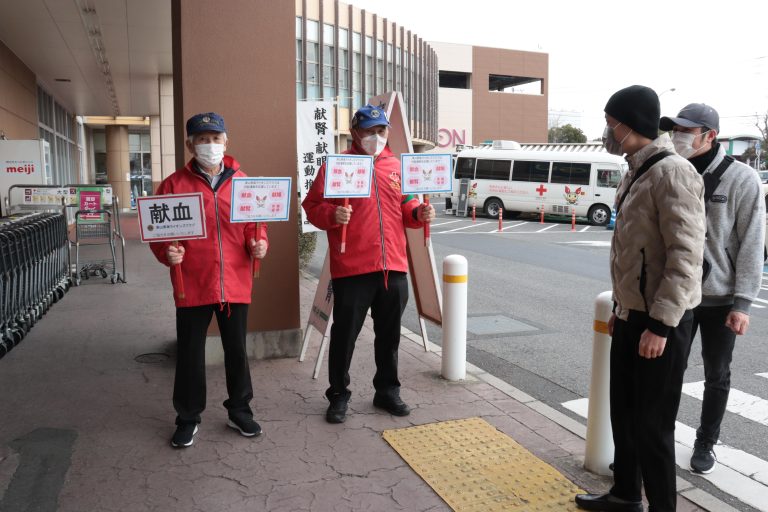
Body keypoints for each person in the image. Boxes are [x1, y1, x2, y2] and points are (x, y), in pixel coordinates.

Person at [575, 86, 706, 512]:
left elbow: (685, 257)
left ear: (630, 125)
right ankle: (626, 493)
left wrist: (660, 324)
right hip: (633, 314)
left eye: (611, 122)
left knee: (652, 427)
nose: (607, 131)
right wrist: (621, 308)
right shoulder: (638, 168)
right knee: (625, 415)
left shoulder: (674, 173)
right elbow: (634, 252)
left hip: (660, 324)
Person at [302, 104, 435, 424]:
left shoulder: (396, 167)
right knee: (345, 335)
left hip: (394, 267)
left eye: (381, 131)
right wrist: (332, 215)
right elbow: (312, 206)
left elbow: (409, 207)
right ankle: (338, 394)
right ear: (354, 133)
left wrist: (419, 215)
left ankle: (387, 391)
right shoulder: (337, 166)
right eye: (369, 131)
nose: (375, 137)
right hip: (353, 267)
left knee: (389, 336)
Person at [150, 112, 268, 448]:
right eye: (203, 139)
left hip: (234, 282)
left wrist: (258, 245)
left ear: (226, 141)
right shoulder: (173, 185)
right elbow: (161, 234)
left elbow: (255, 227)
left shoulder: (244, 182)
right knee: (190, 353)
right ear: (190, 144)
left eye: (216, 138)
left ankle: (240, 410)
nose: (210, 145)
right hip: (192, 283)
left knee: (236, 350)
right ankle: (187, 417)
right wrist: (166, 254)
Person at [660, 104, 766, 474]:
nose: (679, 136)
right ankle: (658, 442)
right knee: (667, 371)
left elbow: (752, 242)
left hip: (721, 299)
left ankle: (706, 441)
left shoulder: (741, 179)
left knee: (716, 373)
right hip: (678, 295)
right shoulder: (672, 171)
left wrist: (743, 303)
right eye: (675, 130)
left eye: (687, 131)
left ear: (710, 136)